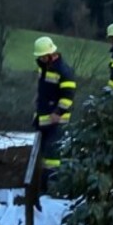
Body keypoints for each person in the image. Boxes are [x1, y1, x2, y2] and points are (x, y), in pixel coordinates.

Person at [33, 36, 76, 199]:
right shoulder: (44, 68)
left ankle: (54, 190)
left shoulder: (64, 71)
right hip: (43, 120)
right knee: (44, 157)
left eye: (44, 57)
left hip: (57, 122)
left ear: (52, 54)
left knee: (54, 158)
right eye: (40, 57)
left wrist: (57, 112)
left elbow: (68, 96)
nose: (42, 59)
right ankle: (44, 188)